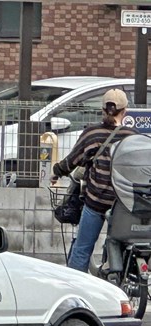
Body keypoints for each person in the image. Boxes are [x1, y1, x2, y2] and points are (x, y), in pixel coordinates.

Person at [51, 89, 136, 272]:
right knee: (129, 245)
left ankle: (76, 287)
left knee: (82, 249)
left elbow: (71, 161)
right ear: (125, 111)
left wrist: (57, 171)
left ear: (103, 110)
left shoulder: (92, 134)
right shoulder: (132, 136)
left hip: (96, 201)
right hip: (124, 204)